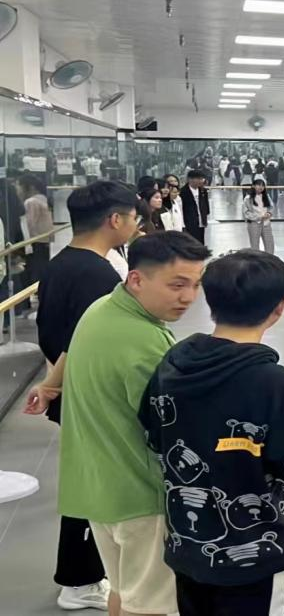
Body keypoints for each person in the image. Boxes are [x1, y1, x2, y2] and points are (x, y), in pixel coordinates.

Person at [139, 250, 284, 616]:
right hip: (258, 557)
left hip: (189, 549)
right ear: (280, 307)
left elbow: (154, 433)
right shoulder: (274, 383)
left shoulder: (173, 364)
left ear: (210, 300)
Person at [55, 232, 211, 616]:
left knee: (123, 593)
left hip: (98, 485)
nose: (189, 297)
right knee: (149, 606)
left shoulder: (101, 310)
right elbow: (174, 430)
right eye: (177, 285)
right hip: (141, 495)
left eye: (196, 285)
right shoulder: (144, 341)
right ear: (137, 279)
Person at [23, 181, 139, 612]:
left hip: (72, 388)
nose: (135, 224)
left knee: (87, 482)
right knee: (94, 489)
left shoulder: (61, 264)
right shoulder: (97, 275)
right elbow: (83, 342)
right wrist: (54, 385)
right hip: (88, 393)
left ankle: (83, 575)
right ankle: (79, 580)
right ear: (115, 219)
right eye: (133, 217)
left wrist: (51, 385)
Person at [17, 173, 53, 284]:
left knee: (35, 272)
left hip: (35, 242)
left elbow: (29, 225)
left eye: (19, 186)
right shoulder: (43, 199)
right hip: (45, 241)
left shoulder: (31, 202)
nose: (18, 190)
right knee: (42, 270)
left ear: (30, 187)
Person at [242, 178, 275, 254]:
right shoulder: (248, 198)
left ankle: (269, 259)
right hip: (254, 224)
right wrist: (259, 217)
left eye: (262, 185)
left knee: (270, 244)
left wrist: (269, 213)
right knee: (255, 245)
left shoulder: (266, 196)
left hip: (266, 223)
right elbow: (246, 213)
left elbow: (271, 207)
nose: (261, 187)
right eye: (258, 185)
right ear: (253, 186)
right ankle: (256, 260)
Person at [180, 169, 211, 244]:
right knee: (191, 242)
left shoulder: (203, 191)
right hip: (189, 223)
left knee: (201, 241)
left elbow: (206, 205)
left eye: (202, 179)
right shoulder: (183, 192)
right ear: (190, 179)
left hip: (201, 221)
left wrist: (205, 215)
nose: (201, 181)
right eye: (199, 179)